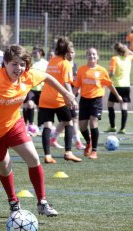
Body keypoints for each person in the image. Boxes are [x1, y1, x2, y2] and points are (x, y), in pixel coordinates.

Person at [0, 45, 77, 217]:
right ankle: (13, 201)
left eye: (22, 64)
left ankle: (42, 202)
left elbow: (47, 77)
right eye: (14, 64)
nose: (19, 68)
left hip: (14, 125)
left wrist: (67, 94)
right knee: (5, 168)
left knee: (33, 158)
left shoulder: (28, 76)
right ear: (5, 64)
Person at [38, 36, 82, 164]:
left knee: (47, 126)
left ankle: (47, 155)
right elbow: (67, 83)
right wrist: (72, 99)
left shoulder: (52, 61)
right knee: (69, 123)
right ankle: (68, 152)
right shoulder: (65, 63)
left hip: (45, 98)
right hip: (58, 99)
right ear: (67, 49)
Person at [74, 48, 123, 160]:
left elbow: (109, 85)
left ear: (97, 57)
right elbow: (77, 86)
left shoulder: (102, 70)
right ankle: (88, 142)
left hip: (96, 100)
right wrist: (71, 98)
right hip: (84, 100)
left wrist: (117, 96)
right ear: (87, 56)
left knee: (93, 123)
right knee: (82, 127)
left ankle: (94, 151)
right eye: (89, 54)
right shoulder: (82, 70)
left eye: (94, 54)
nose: (92, 56)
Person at [50, 46, 85, 150]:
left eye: (72, 52)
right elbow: (65, 82)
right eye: (68, 52)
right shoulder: (63, 64)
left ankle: (53, 139)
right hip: (66, 96)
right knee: (73, 119)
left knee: (67, 120)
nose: (70, 54)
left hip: (72, 95)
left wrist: (77, 89)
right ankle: (77, 142)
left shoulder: (74, 65)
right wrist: (70, 96)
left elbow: (75, 81)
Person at [105, 42, 133, 134]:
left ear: (115, 50)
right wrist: (127, 49)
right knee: (124, 107)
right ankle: (122, 128)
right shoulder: (128, 58)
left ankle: (113, 126)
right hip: (126, 86)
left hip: (116, 86)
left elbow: (112, 73)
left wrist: (105, 79)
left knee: (110, 105)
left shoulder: (114, 59)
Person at [23, 45, 48, 136]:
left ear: (41, 53)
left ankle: (40, 126)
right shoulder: (30, 63)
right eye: (33, 52)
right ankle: (30, 125)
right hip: (31, 88)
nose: (34, 54)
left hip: (42, 89)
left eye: (36, 52)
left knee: (41, 108)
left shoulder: (46, 63)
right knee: (29, 104)